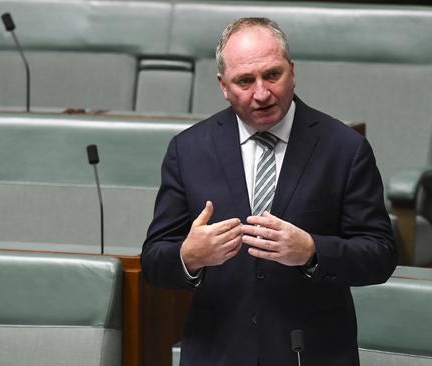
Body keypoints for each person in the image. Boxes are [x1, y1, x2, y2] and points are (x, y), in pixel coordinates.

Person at [141, 17, 397, 366]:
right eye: (245, 81)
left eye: (272, 75)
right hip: (217, 352)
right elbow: (154, 262)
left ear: (292, 71)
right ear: (223, 85)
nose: (261, 94)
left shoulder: (344, 148)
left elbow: (380, 255)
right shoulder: (188, 150)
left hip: (312, 353)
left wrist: (312, 251)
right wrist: (190, 257)